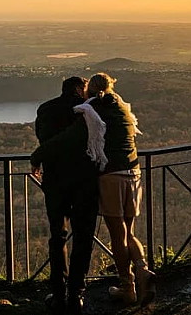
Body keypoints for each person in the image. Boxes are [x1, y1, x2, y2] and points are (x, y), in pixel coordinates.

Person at [80, 72, 156, 305]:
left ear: (90, 90)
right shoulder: (122, 107)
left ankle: (128, 287)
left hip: (111, 174)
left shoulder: (92, 109)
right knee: (129, 232)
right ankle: (143, 271)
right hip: (133, 172)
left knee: (117, 234)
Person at [29, 76, 98, 315]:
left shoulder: (45, 109)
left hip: (55, 181)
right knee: (83, 236)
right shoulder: (86, 111)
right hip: (85, 182)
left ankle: (58, 295)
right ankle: (76, 294)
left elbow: (44, 139)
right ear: (80, 89)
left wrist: (40, 156)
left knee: (57, 237)